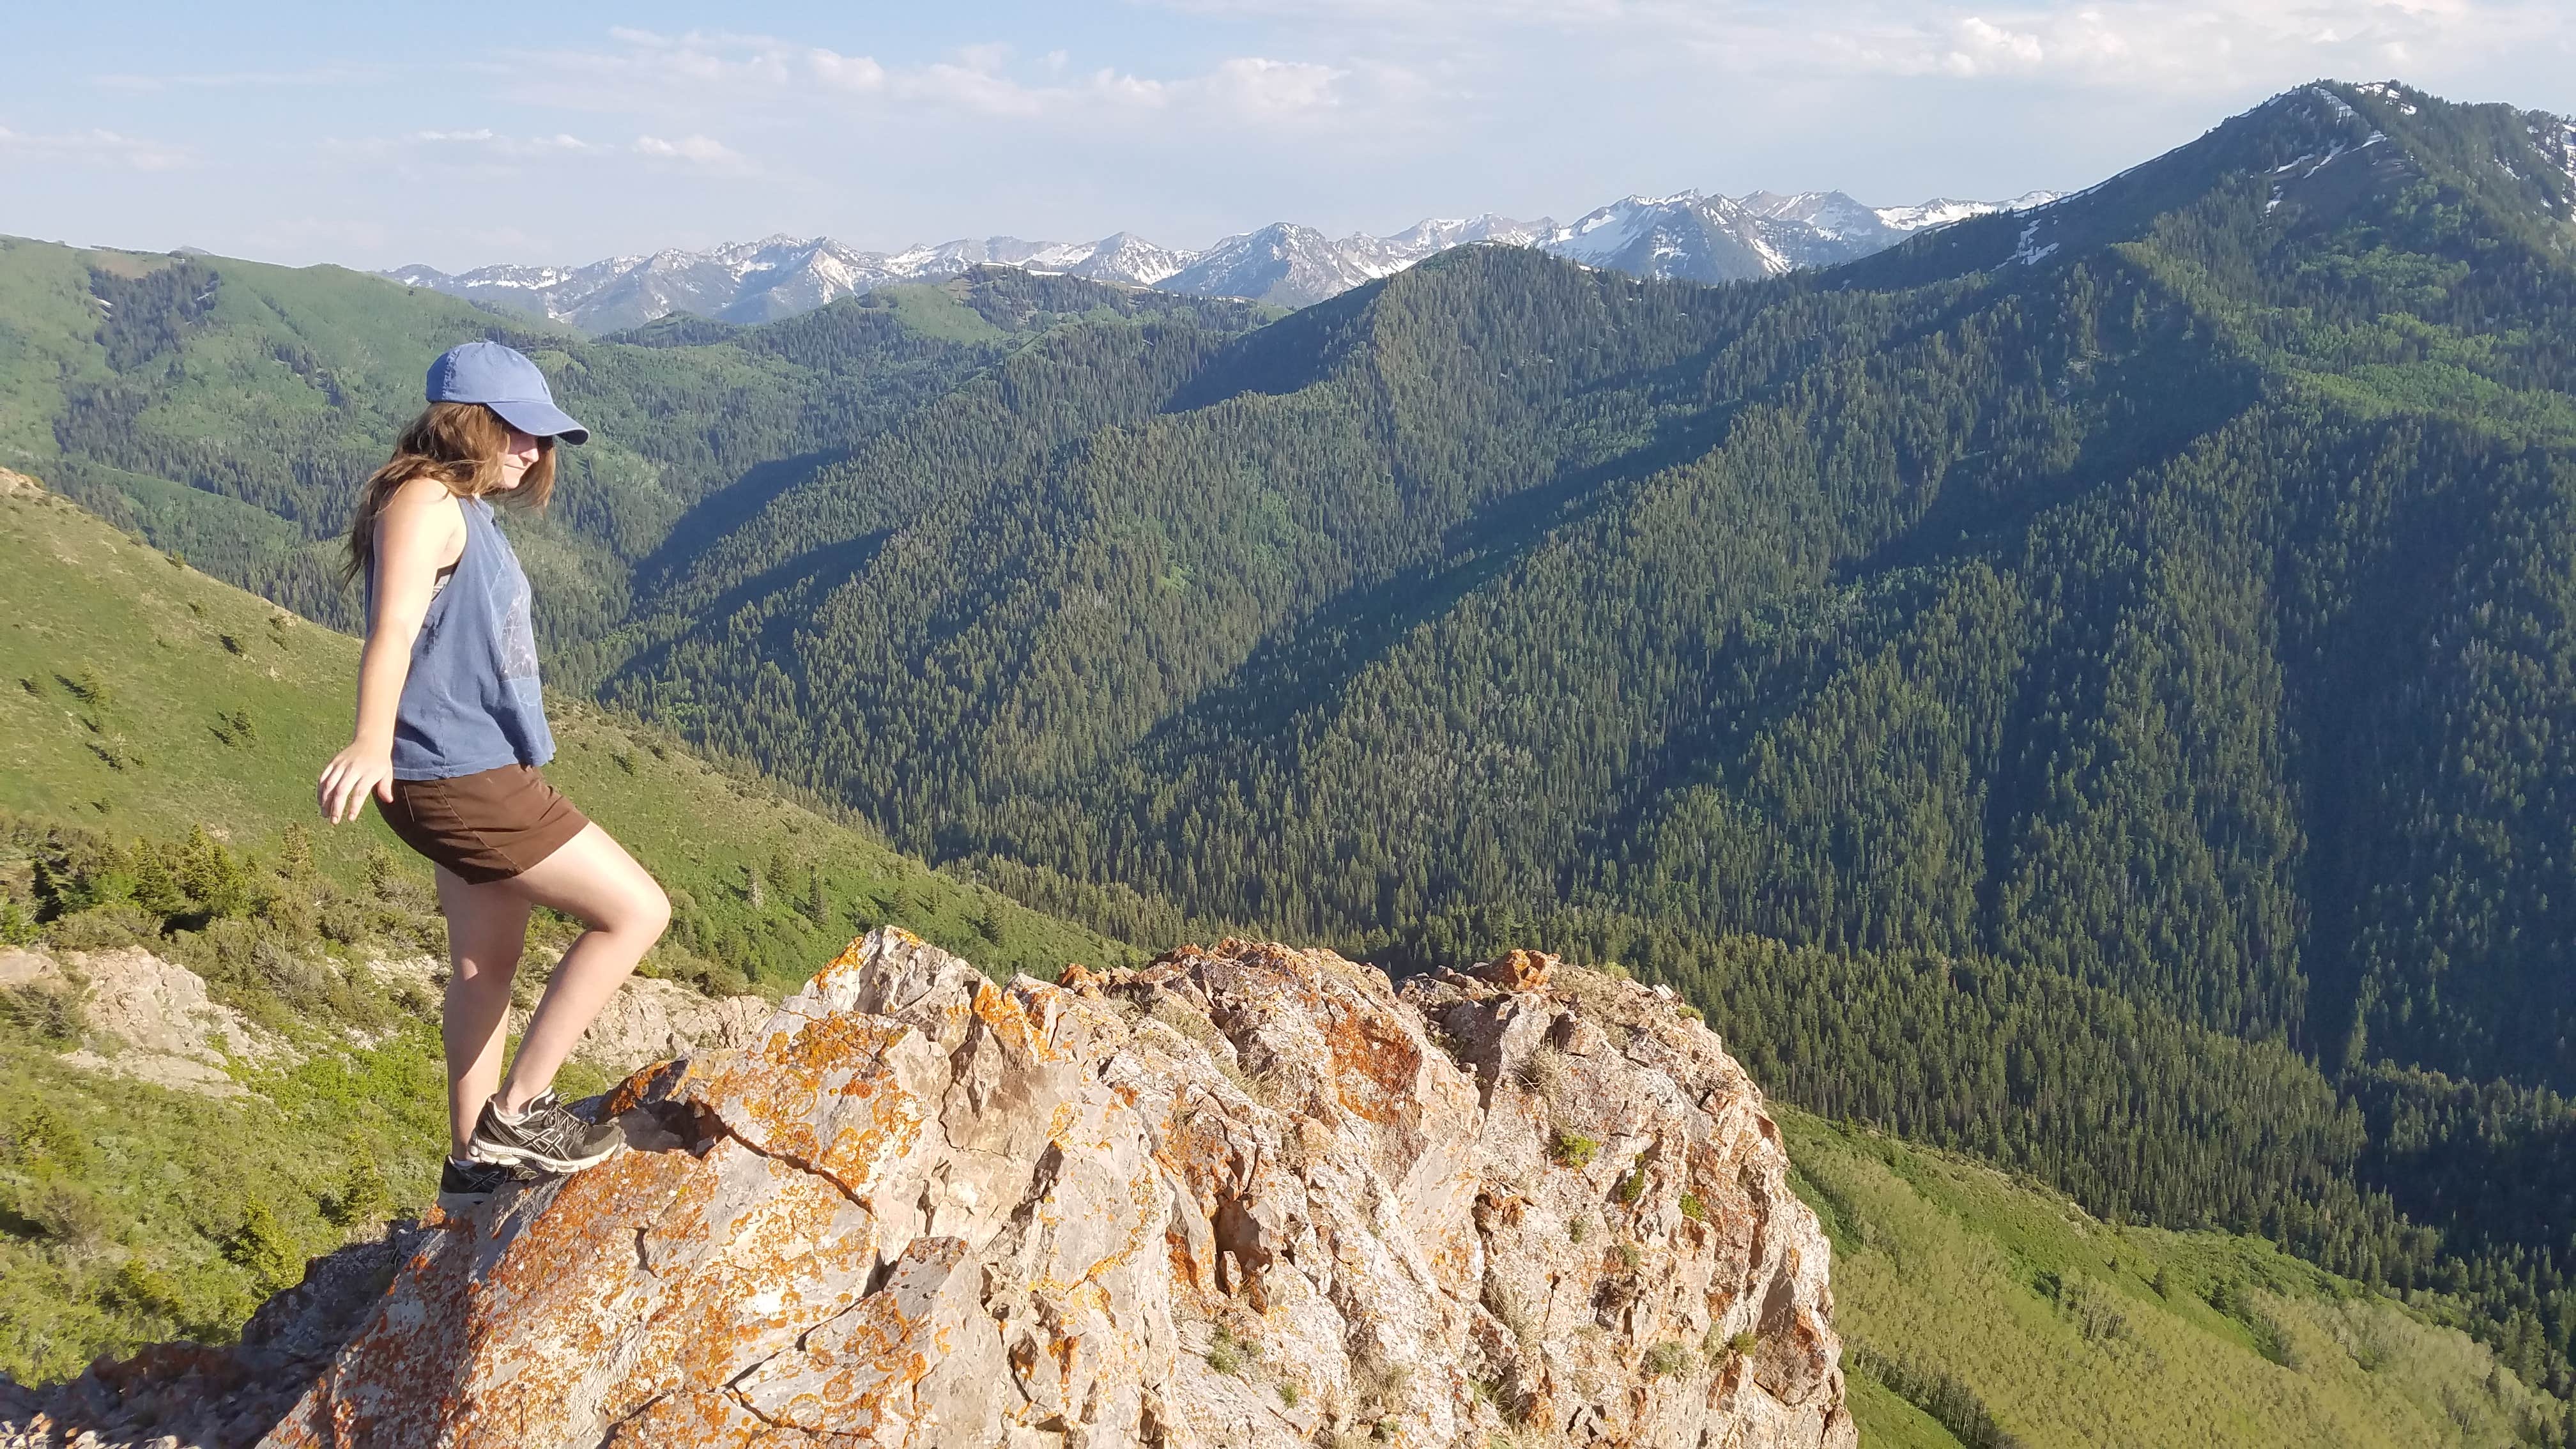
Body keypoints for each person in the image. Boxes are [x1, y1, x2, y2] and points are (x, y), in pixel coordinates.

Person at [316, 341, 670, 1211]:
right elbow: (393, 630)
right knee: (637, 911)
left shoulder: (458, 508)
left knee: (486, 966)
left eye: (544, 439)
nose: (535, 452)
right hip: (459, 774)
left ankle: (474, 1160)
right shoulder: (425, 502)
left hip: (465, 767)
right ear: (463, 423)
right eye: (518, 431)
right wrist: (369, 739)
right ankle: (520, 1114)